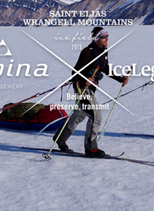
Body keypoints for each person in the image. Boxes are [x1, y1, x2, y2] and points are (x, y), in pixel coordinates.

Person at [53, 27, 129, 157]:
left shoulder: (103, 50)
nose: (107, 39)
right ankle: (91, 148)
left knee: (80, 115)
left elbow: (105, 68)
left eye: (107, 35)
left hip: (91, 88)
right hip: (82, 88)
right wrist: (84, 80)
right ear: (97, 38)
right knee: (95, 115)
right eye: (104, 36)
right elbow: (74, 73)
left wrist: (119, 78)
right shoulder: (88, 52)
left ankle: (60, 138)